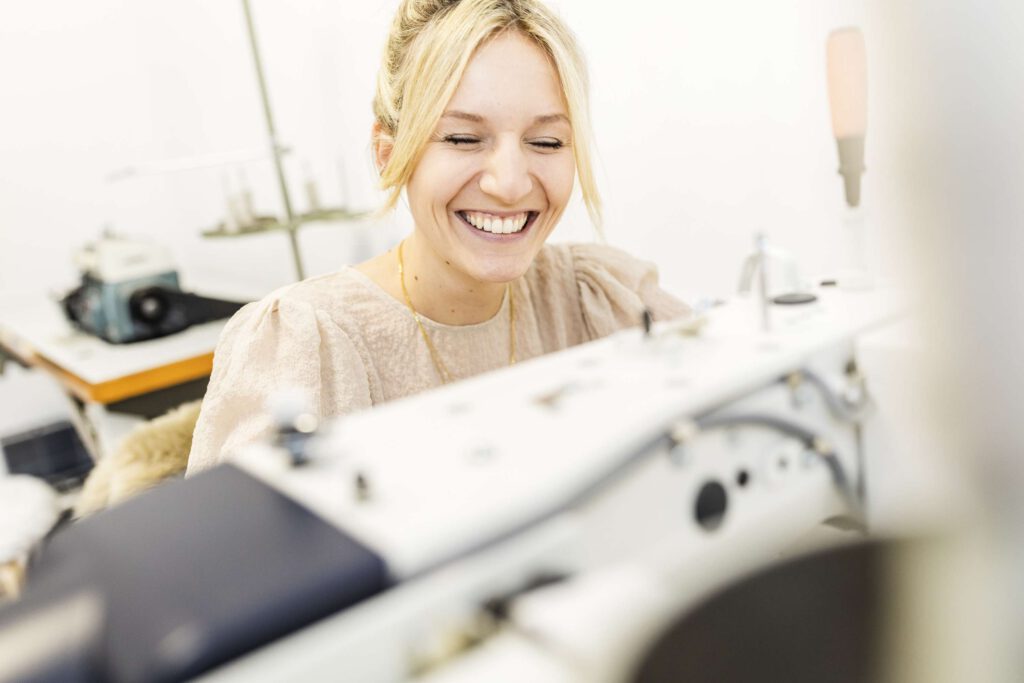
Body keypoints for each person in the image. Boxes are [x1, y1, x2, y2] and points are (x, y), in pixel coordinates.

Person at [186, 0, 689, 474]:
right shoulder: (304, 345)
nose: (510, 183)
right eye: (464, 139)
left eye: (546, 142)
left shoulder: (595, 298)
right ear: (388, 154)